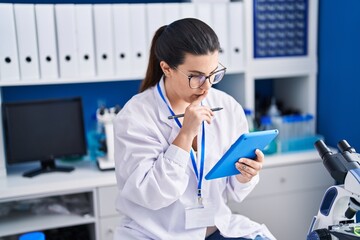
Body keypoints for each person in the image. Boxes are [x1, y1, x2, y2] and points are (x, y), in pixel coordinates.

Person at [113, 18, 276, 240]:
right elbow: (151, 195)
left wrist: (245, 175)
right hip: (155, 235)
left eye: (212, 74)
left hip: (216, 230)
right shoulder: (135, 117)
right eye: (196, 76)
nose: (207, 86)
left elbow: (232, 192)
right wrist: (185, 135)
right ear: (167, 68)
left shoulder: (227, 107)